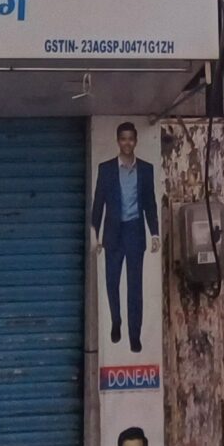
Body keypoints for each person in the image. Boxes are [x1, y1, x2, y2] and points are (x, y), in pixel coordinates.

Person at [88, 121, 158, 353]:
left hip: (135, 230)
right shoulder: (106, 169)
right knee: (112, 281)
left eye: (130, 138)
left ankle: (134, 334)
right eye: (123, 139)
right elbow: (98, 203)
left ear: (136, 141)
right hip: (113, 232)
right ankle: (116, 321)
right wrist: (94, 233)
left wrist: (154, 232)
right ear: (118, 141)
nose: (127, 143)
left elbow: (150, 203)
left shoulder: (146, 169)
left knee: (135, 286)